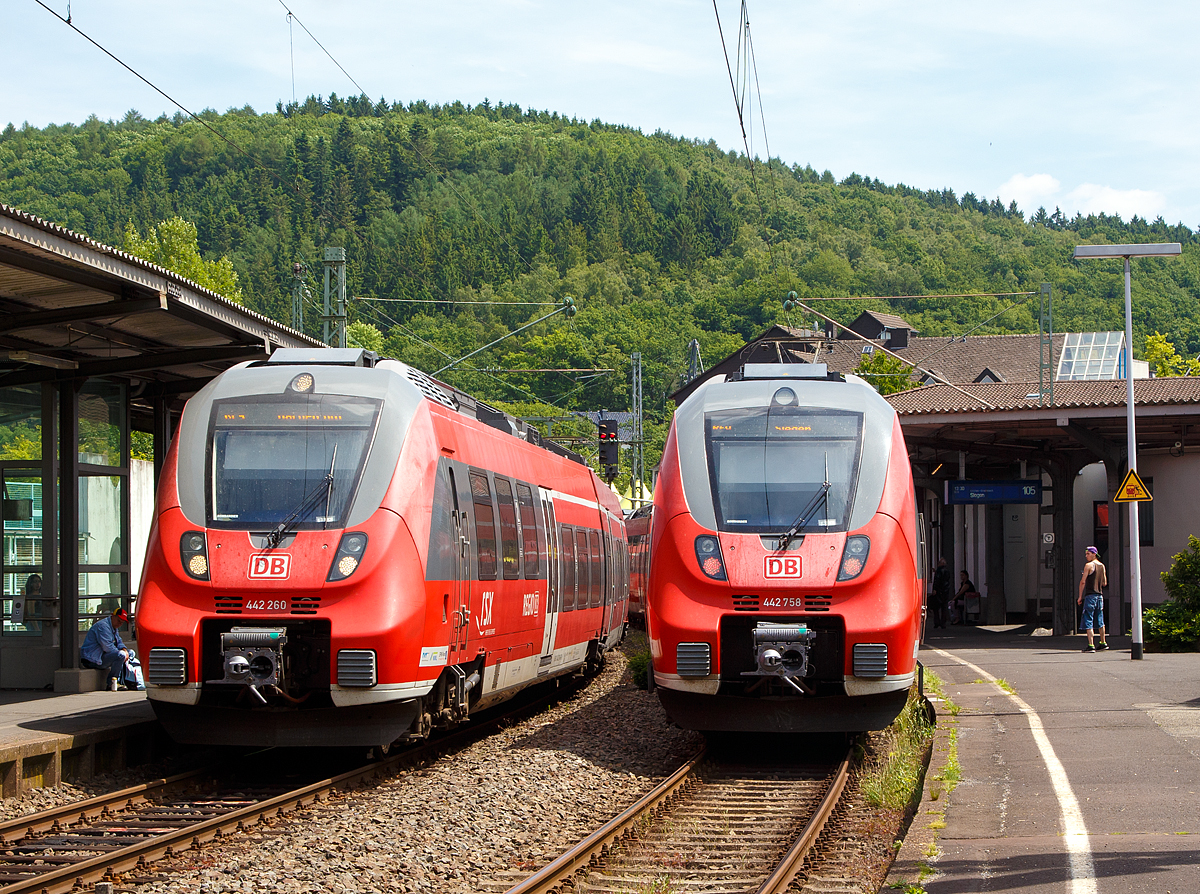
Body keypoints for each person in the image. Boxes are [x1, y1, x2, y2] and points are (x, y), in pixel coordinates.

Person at [80, 607, 130, 690]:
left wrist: (125, 650)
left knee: (130, 653)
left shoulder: (113, 627)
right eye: (118, 621)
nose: (120, 624)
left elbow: (119, 642)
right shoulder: (103, 626)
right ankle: (111, 683)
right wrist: (123, 654)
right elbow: (108, 647)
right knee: (120, 655)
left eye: (122, 623)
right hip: (92, 659)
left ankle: (128, 680)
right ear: (112, 616)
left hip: (103, 656)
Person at [1077, 546, 1109, 653]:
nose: (1086, 556)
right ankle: (1103, 642)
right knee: (1100, 618)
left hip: (1090, 595)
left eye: (1088, 554)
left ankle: (1091, 644)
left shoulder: (1089, 565)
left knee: (1088, 618)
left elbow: (1083, 582)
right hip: (1099, 596)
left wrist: (1080, 596)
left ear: (1094, 554)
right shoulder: (1102, 566)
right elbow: (1104, 583)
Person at [931, 558, 951, 628]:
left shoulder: (939, 571)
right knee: (944, 608)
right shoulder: (947, 571)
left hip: (938, 591)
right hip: (945, 591)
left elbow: (937, 580)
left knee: (936, 608)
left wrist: (934, 589)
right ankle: (943, 623)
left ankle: (937, 622)